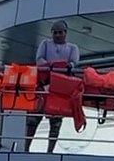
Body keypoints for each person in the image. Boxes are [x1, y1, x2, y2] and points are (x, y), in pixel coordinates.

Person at [26, 20, 80, 153]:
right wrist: (50, 66)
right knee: (33, 119)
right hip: (43, 85)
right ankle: (26, 148)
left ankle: (50, 150)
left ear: (65, 33)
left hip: (60, 89)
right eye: (55, 33)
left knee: (56, 122)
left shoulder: (72, 48)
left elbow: (74, 62)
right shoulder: (45, 44)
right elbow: (39, 59)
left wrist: (67, 66)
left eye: (60, 32)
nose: (57, 35)